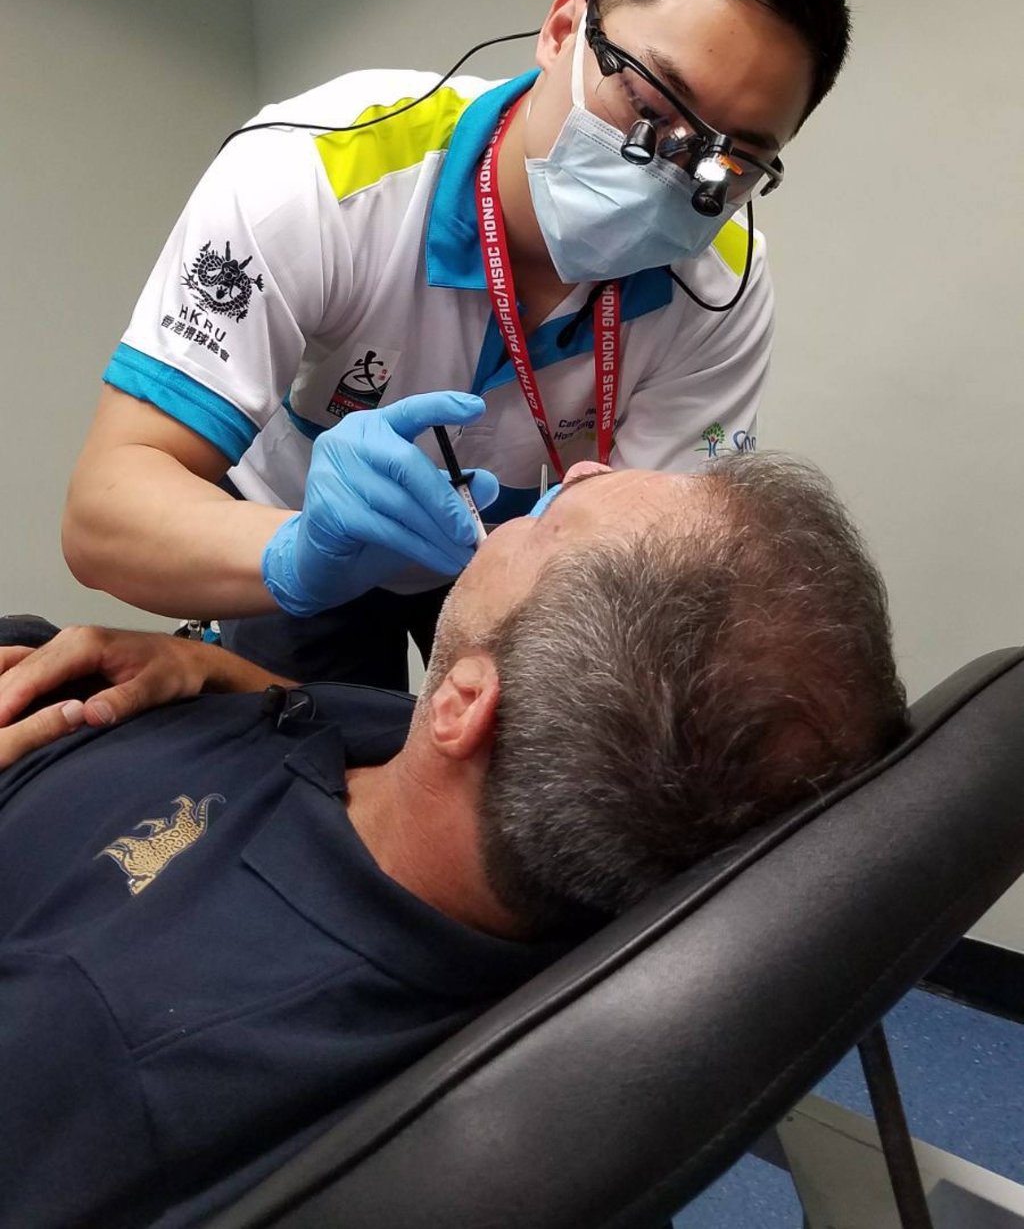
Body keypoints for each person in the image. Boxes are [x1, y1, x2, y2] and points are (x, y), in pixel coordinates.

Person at [0, 453, 905, 1226]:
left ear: (466, 706)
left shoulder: (100, 1046)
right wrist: (217, 672)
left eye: (555, 520)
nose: (578, 468)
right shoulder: (491, 794)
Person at [62, 0, 850, 690]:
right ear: (563, 30)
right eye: (648, 104)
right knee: (309, 763)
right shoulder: (318, 171)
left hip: (521, 556)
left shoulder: (722, 275)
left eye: (728, 161)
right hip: (295, 525)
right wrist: (294, 552)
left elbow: (663, 556)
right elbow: (105, 512)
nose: (668, 176)